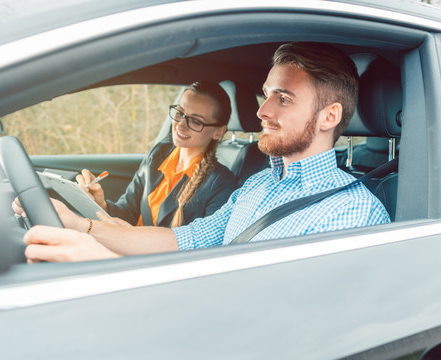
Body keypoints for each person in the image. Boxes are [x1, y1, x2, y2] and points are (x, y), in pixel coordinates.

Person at [20, 42, 391, 263]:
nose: (262, 111)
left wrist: (105, 263)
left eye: (283, 98)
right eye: (266, 94)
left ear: (330, 116)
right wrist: (80, 226)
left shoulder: (352, 212)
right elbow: (186, 240)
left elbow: (269, 313)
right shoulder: (259, 184)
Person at [77, 81, 236, 228]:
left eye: (196, 121)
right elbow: (128, 211)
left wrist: (132, 237)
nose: (180, 125)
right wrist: (101, 204)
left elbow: (203, 245)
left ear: (218, 132)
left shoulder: (220, 184)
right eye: (180, 113)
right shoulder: (159, 154)